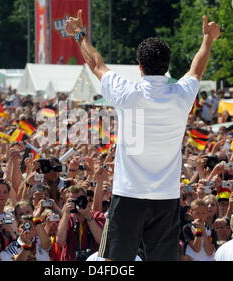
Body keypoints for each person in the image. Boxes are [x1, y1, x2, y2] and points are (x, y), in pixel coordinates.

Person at [65, 10, 220, 260]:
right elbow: (196, 70)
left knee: (116, 262)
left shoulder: (128, 93)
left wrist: (80, 34)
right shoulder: (180, 96)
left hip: (129, 193)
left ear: (139, 67)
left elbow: (96, 64)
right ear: (167, 66)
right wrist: (208, 39)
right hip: (166, 196)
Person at [57, 185, 106, 261]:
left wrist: (88, 217)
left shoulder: (97, 216)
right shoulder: (67, 219)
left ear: (85, 200)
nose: (75, 204)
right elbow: (60, 241)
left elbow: (101, 240)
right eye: (72, 201)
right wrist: (66, 215)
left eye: (78, 200)